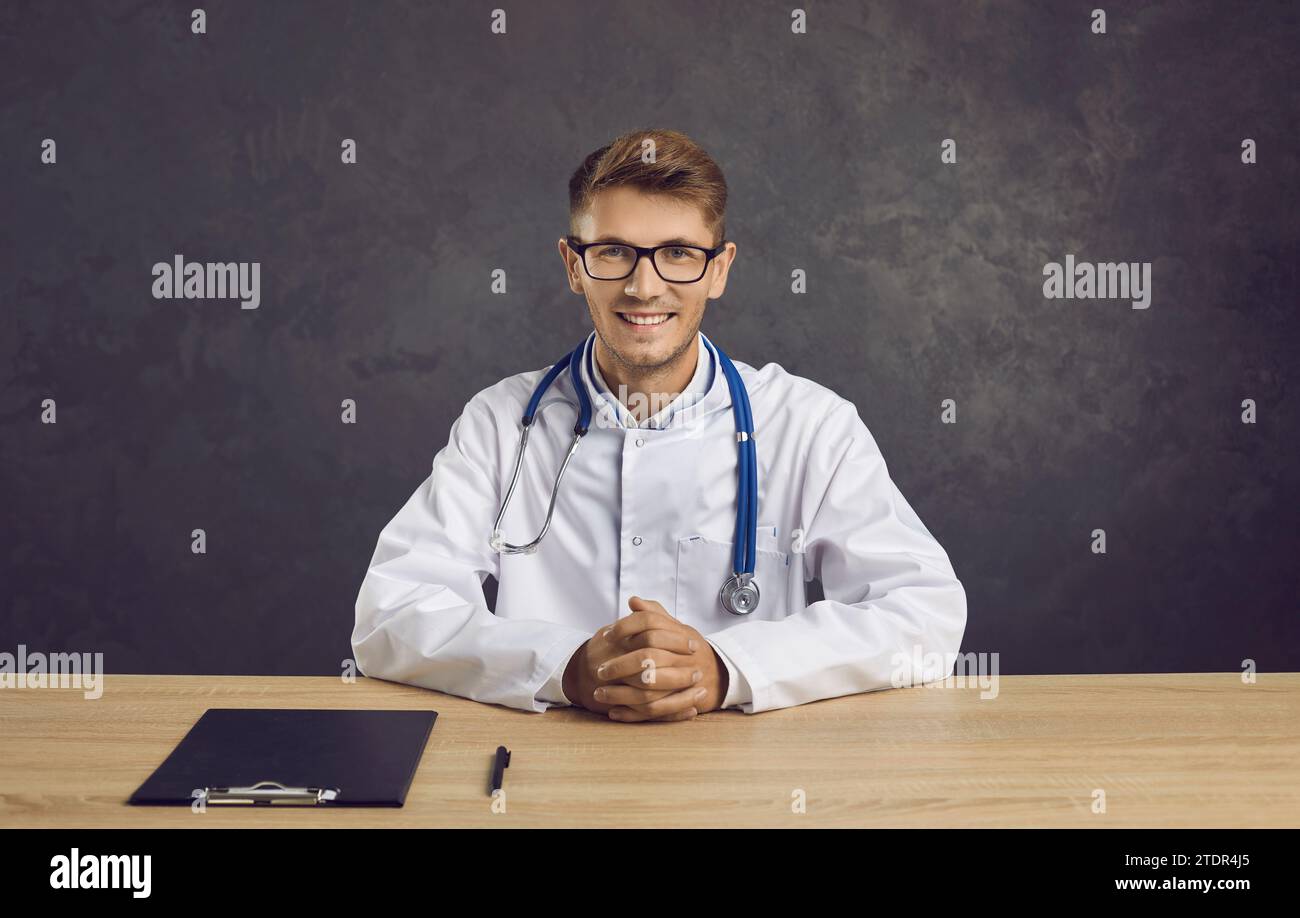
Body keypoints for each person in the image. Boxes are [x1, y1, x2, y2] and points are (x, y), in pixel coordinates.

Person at [351, 128, 967, 722]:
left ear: (718, 270)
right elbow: (389, 615)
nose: (644, 287)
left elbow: (924, 614)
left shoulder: (812, 426)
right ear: (573, 265)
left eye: (678, 253)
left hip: (750, 787)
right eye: (614, 251)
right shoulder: (500, 423)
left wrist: (728, 669)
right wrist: (562, 667)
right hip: (550, 780)